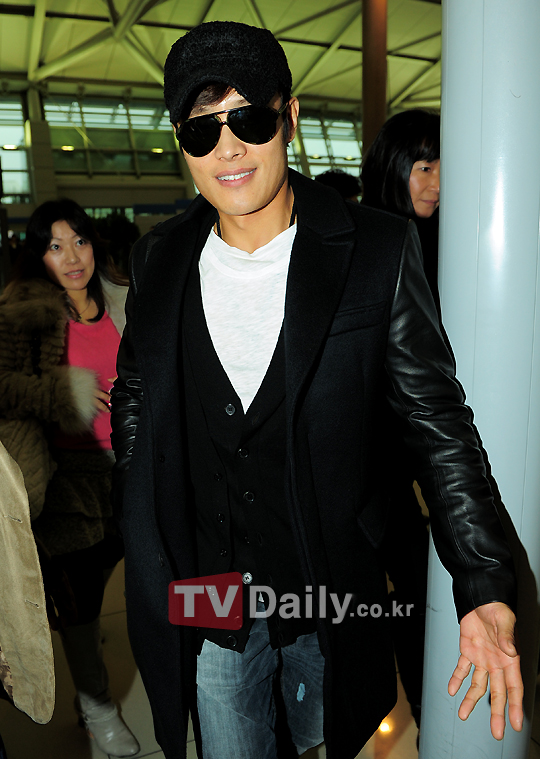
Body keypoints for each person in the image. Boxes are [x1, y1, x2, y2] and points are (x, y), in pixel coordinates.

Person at [111, 20, 523, 759]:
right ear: (181, 144)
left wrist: (483, 583)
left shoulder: (375, 249)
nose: (228, 148)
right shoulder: (159, 261)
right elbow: (136, 388)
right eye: (202, 130)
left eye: (249, 119)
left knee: (320, 738)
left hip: (328, 587)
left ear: (290, 118)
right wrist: (140, 505)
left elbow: (438, 426)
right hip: (207, 590)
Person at [0, 199, 139, 757]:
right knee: (78, 604)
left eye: (78, 241)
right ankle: (97, 707)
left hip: (134, 468)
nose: (72, 257)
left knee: (144, 582)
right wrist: (66, 392)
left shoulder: (125, 299)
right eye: (55, 246)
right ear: (38, 256)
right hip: (65, 480)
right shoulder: (24, 314)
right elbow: (4, 386)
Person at [358, 109, 441, 730]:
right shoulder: (366, 243)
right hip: (373, 455)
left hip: (431, 444)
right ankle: (420, 702)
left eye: (444, 167)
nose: (437, 182)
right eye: (425, 167)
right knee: (403, 589)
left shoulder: (451, 240)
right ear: (394, 167)